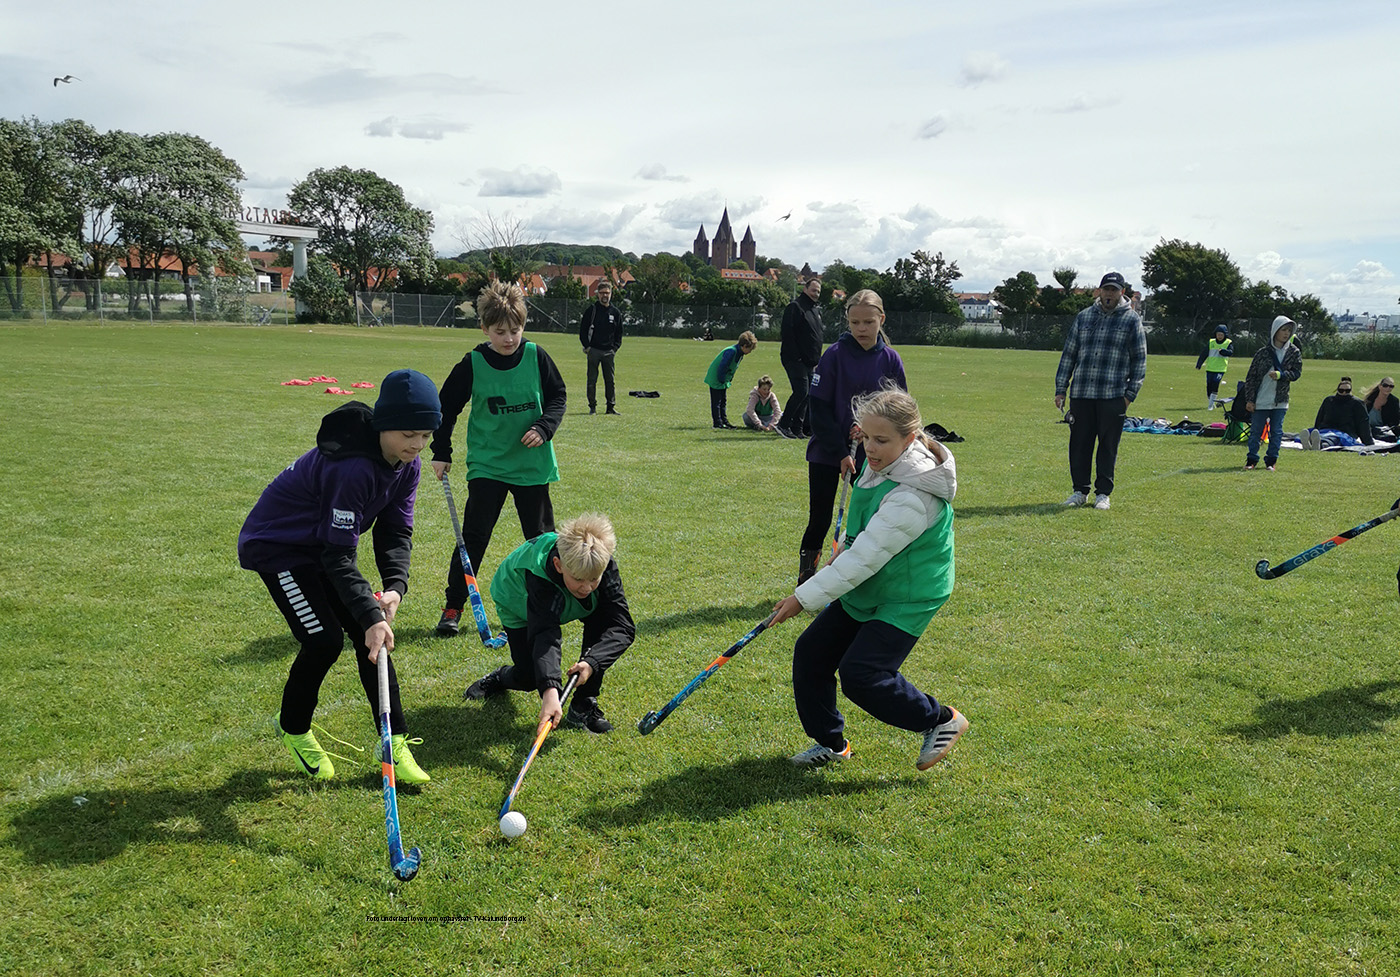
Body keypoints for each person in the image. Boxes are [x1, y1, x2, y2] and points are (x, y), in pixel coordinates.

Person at [238, 369, 440, 783]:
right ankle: (293, 728)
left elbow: (395, 531)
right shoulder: (352, 469)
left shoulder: (408, 465)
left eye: (425, 435)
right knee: (324, 640)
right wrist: (370, 614)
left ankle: (394, 742)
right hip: (280, 548)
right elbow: (338, 555)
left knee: (377, 641)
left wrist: (394, 588)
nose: (417, 445)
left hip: (323, 548)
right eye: (407, 434)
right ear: (384, 424)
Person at [769, 386, 964, 769]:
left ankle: (940, 720)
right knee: (811, 653)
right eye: (864, 436)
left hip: (908, 592)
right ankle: (830, 744)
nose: (870, 448)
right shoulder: (882, 464)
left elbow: (866, 557)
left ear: (910, 439)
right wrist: (842, 546)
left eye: (881, 440)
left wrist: (803, 597)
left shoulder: (913, 494)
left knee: (862, 674)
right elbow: (861, 538)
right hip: (872, 581)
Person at [432, 280, 566, 636]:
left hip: (532, 466)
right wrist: (441, 452)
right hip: (488, 465)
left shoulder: (537, 356)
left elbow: (558, 396)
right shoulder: (473, 363)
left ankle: (546, 606)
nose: (509, 338)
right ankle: (453, 607)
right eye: (500, 331)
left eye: (516, 330)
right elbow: (446, 409)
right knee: (473, 538)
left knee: (541, 541)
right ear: (484, 329)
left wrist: (544, 427)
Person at [464, 513, 635, 735]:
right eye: (579, 579)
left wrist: (591, 663)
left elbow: (622, 626)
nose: (586, 587)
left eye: (594, 579)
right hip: (519, 603)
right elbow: (545, 634)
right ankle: (500, 676)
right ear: (559, 564)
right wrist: (550, 690)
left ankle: (583, 705)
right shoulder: (539, 576)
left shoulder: (598, 560)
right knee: (529, 677)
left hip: (562, 596)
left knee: (602, 626)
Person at [799, 288, 907, 583]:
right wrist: (841, 453)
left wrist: (872, 432)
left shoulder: (890, 360)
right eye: (855, 322)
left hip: (873, 454)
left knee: (868, 521)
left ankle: (857, 582)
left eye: (869, 322)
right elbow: (817, 410)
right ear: (847, 321)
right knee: (819, 520)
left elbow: (900, 410)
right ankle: (806, 584)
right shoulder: (834, 355)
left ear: (881, 319)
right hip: (827, 450)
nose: (862, 329)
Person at [1053, 271, 1147, 510]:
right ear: (1099, 291)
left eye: (1114, 290)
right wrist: (1061, 388)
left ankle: (1103, 493)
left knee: (1108, 447)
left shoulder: (1131, 320)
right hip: (1083, 392)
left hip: (1113, 395)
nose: (1109, 294)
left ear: (1122, 293)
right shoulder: (1084, 317)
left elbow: (1139, 360)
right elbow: (1069, 354)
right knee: (1079, 445)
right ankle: (1079, 491)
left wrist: (1129, 396)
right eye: (1106, 289)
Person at [1242, 315, 1302, 471]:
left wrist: (1281, 375)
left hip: (1280, 400)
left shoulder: (1294, 352)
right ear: (1275, 330)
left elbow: (1296, 373)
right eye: (1283, 329)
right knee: (1256, 432)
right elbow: (1251, 377)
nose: (1286, 333)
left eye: (1289, 330)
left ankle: (1271, 461)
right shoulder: (1262, 353)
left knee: (1276, 432)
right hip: (1261, 399)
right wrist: (1250, 399)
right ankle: (1251, 460)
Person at [776, 276, 824, 439]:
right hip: (795, 359)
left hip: (810, 361)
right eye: (813, 290)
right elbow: (788, 334)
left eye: (818, 291)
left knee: (809, 393)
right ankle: (783, 424)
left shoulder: (815, 310)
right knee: (801, 391)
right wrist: (796, 356)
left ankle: (797, 427)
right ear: (805, 289)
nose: (816, 293)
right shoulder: (795, 307)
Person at [579, 280, 623, 415]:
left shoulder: (615, 312)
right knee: (592, 380)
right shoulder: (592, 310)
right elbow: (583, 330)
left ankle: (610, 407)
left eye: (607, 293)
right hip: (594, 351)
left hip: (609, 352)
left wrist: (614, 348)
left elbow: (619, 333)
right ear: (597, 294)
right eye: (602, 293)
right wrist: (587, 347)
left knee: (610, 381)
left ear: (611, 294)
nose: (605, 295)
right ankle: (592, 406)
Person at [703, 331, 757, 429]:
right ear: (744, 346)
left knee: (723, 401)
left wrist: (728, 379)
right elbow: (722, 366)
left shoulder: (740, 354)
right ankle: (717, 423)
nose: (750, 351)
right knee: (717, 402)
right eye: (750, 349)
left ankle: (724, 421)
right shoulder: (731, 351)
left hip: (723, 379)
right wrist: (722, 379)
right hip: (717, 378)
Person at [1302, 376, 1372, 448]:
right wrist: (1316, 429)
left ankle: (1319, 444)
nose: (1344, 392)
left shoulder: (1357, 403)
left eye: (1347, 390)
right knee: (1322, 435)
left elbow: (1363, 423)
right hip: (1326, 430)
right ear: (1337, 390)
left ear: (1351, 390)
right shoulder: (1329, 400)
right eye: (1341, 390)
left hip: (1345, 433)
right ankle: (1312, 441)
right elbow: (1320, 418)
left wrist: (1368, 442)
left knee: (1333, 439)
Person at [1194, 324, 1233, 410]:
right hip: (1210, 368)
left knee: (1215, 384)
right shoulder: (1211, 342)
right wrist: (1199, 364)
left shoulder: (1228, 343)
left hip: (1220, 369)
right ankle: (1211, 402)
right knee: (1209, 385)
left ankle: (1210, 406)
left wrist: (1223, 351)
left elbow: (1230, 352)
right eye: (1218, 334)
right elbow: (1204, 353)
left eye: (1221, 335)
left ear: (1225, 335)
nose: (1219, 336)